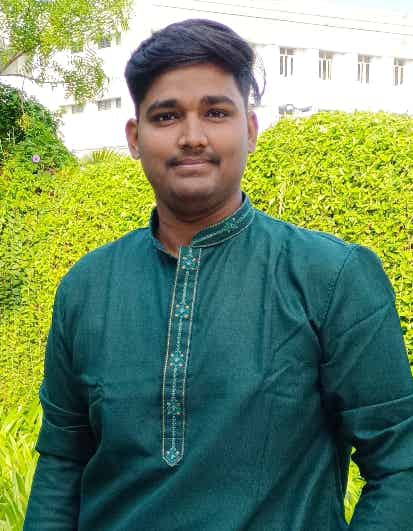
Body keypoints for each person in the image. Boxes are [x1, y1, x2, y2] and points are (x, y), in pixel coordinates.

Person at [24, 19, 413, 531]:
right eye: (167, 116)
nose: (192, 137)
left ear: (250, 130)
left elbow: (399, 461)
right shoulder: (87, 287)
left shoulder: (332, 277)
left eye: (215, 112)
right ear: (135, 137)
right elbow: (62, 463)